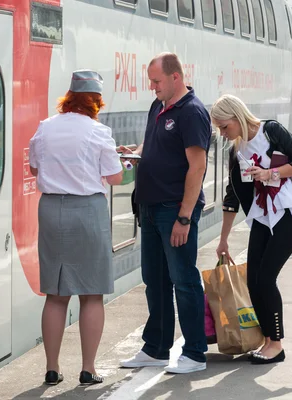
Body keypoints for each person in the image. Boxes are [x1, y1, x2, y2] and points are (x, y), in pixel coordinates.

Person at [28, 69, 124, 386]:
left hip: (51, 209)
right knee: (91, 294)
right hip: (87, 211)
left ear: (69, 97)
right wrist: (122, 161)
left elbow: (34, 166)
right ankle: (88, 368)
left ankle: (52, 369)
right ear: (95, 101)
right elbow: (114, 177)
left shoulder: (45, 127)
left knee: (56, 295)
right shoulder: (98, 131)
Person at [119, 52, 211, 374]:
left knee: (183, 279)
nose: (152, 87)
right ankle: (157, 348)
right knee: (154, 280)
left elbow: (197, 167)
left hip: (173, 210)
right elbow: (152, 145)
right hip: (150, 206)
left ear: (176, 77)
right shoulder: (159, 106)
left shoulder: (192, 112)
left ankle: (195, 353)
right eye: (151, 82)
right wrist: (134, 153)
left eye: (156, 81)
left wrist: (184, 217)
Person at [210, 94, 292, 364]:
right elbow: (232, 195)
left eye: (224, 126)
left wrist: (271, 174)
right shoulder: (236, 150)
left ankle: (276, 344)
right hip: (262, 217)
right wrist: (223, 240)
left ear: (237, 116)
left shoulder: (270, 131)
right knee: (253, 280)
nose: (223, 133)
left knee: (266, 278)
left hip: (288, 213)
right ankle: (267, 340)